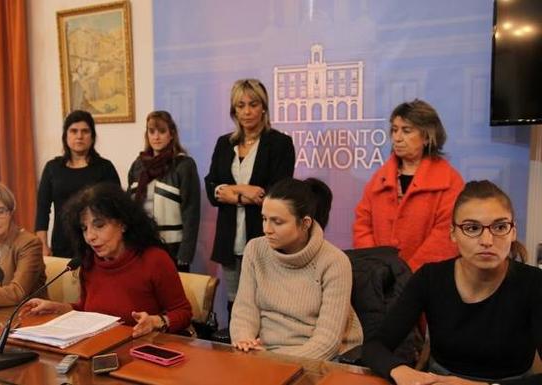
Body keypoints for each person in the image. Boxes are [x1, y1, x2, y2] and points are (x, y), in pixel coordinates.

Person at [363, 180, 542, 385]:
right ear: (453, 233)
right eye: (472, 228)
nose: (487, 240)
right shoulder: (429, 278)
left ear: (513, 232)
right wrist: (400, 370)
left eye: (500, 227)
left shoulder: (534, 283)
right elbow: (375, 346)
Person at [22, 183, 192, 338]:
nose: (90, 237)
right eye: (84, 228)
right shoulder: (89, 261)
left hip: (141, 351)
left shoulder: (154, 259)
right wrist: (57, 308)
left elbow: (183, 313)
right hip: (97, 349)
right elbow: (88, 310)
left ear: (123, 224)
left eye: (99, 225)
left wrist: (156, 322)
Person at [230, 178, 363, 360]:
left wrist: (274, 361)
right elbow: (245, 310)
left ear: (305, 223)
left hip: (315, 360)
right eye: (264, 219)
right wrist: (244, 340)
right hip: (262, 355)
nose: (266, 229)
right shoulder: (255, 249)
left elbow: (327, 343)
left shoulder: (334, 262)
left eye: (277, 222)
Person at [204, 79, 295, 322]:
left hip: (264, 237)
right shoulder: (225, 143)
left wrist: (231, 193)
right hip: (230, 239)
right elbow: (211, 187)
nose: (246, 111)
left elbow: (276, 193)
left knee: (264, 304)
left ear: (263, 107)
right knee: (236, 304)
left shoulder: (280, 143)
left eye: (253, 104)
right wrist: (244, 191)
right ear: (233, 110)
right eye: (240, 105)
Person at [353, 99, 464, 272]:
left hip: (427, 280)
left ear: (427, 136)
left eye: (406, 131)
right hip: (379, 279)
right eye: (394, 130)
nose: (397, 138)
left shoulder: (450, 181)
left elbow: (445, 236)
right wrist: (375, 266)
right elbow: (362, 224)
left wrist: (407, 274)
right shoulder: (379, 178)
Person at [35, 110, 121, 258]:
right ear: (66, 136)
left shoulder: (105, 167)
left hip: (97, 244)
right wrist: (43, 244)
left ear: (92, 137)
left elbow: (117, 209)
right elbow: (42, 210)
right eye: (74, 131)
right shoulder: (52, 168)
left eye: (85, 131)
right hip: (62, 243)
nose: (79, 136)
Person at [127, 111, 200, 272]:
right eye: (151, 131)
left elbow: (191, 212)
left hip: (173, 248)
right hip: (142, 246)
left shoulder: (184, 165)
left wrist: (186, 252)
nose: (156, 137)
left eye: (161, 131)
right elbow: (129, 209)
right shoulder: (137, 165)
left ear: (171, 134)